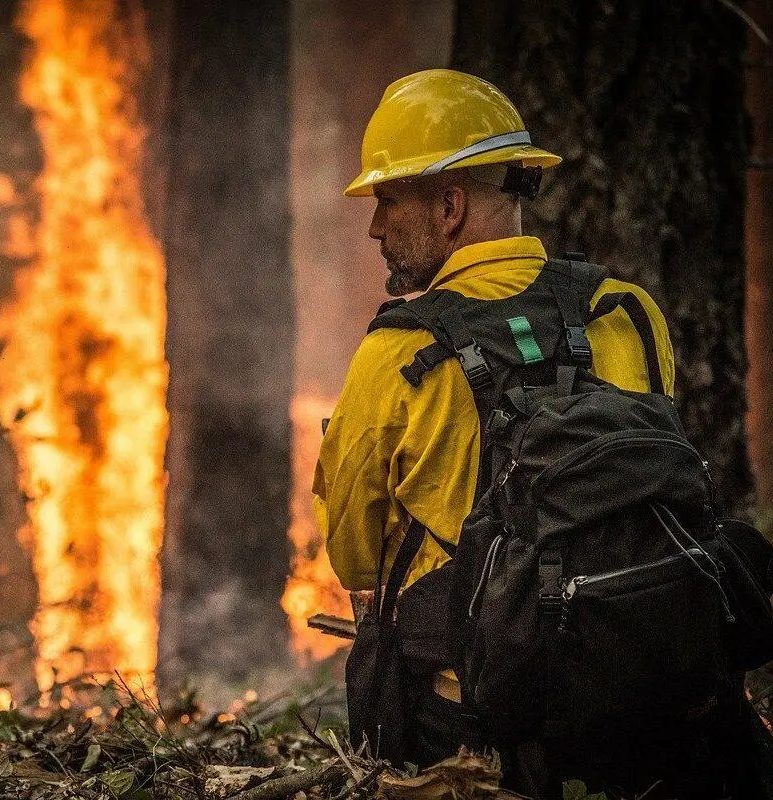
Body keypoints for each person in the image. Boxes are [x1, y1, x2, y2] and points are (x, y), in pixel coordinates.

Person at [312, 68, 768, 797]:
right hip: (648, 681)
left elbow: (355, 557)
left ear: (450, 205)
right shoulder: (626, 311)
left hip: (479, 715)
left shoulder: (396, 354)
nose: (374, 226)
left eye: (388, 201)